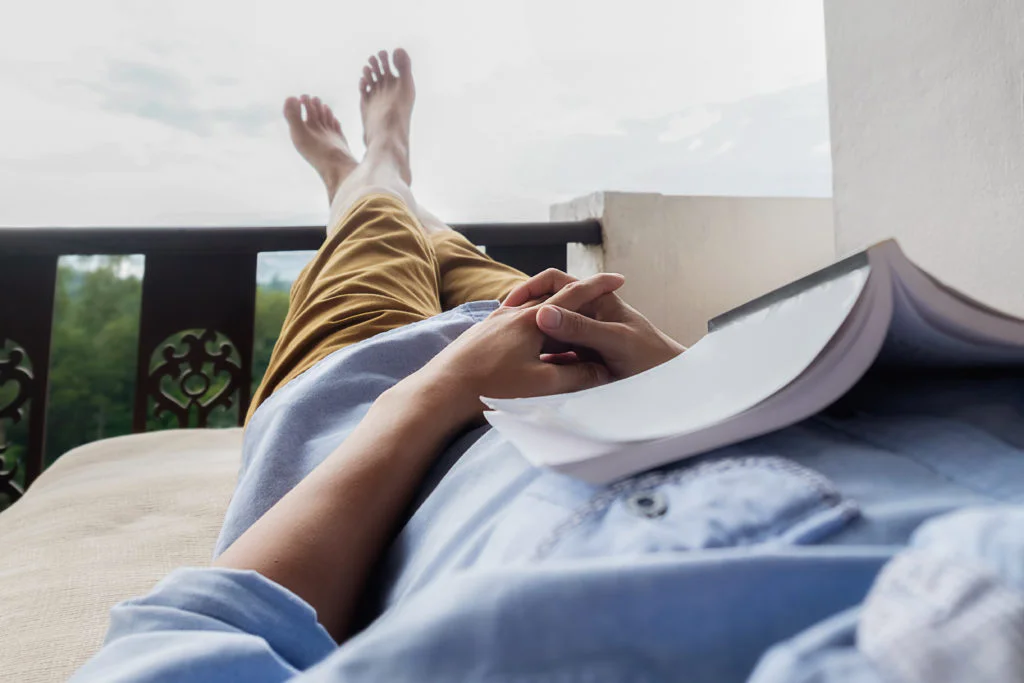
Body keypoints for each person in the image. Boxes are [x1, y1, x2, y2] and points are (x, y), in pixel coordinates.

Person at [73, 50, 1024, 683]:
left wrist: (436, 392)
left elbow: (180, 648)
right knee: (464, 256)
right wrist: (691, 376)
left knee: (373, 239)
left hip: (364, 400)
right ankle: (398, 193)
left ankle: (372, 177)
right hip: (604, 359)